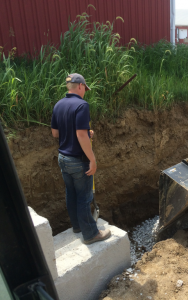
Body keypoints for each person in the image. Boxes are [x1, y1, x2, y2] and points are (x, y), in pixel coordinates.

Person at [51, 73, 111, 245]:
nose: (85, 91)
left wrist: (85, 133)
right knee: (84, 198)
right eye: (85, 88)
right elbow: (80, 134)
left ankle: (77, 226)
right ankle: (91, 234)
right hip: (79, 161)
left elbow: (55, 133)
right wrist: (92, 159)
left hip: (63, 158)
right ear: (80, 86)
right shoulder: (82, 105)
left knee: (71, 194)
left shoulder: (59, 104)